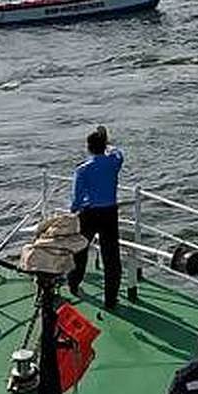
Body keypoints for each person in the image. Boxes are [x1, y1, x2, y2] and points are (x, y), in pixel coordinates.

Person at [68, 125, 124, 310]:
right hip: (110, 213)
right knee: (111, 257)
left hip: (89, 213)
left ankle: (74, 283)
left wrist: (74, 209)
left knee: (80, 251)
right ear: (104, 145)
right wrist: (108, 142)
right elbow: (118, 153)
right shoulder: (114, 162)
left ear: (88, 147)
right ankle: (111, 299)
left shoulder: (83, 170)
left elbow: (76, 199)